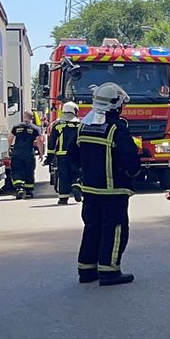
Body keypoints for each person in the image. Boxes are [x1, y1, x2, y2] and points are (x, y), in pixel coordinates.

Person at [73, 83, 141, 286]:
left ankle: (86, 270)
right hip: (114, 191)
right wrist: (132, 174)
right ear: (115, 105)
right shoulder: (116, 129)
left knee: (92, 227)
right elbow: (131, 160)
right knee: (115, 229)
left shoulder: (83, 127)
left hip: (90, 190)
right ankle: (109, 271)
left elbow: (72, 156)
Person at [46, 101, 83, 205]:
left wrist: (49, 156)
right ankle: (76, 186)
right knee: (77, 172)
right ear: (75, 111)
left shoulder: (57, 124)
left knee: (63, 176)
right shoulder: (80, 124)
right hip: (76, 154)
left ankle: (63, 198)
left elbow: (52, 141)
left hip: (61, 155)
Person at [8, 112, 43, 199]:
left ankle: (19, 188)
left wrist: (7, 150)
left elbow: (10, 139)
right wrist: (41, 153)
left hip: (17, 153)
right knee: (29, 172)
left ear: (24, 117)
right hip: (29, 153)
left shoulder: (16, 127)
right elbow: (39, 141)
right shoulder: (35, 128)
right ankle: (29, 191)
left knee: (16, 171)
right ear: (32, 118)